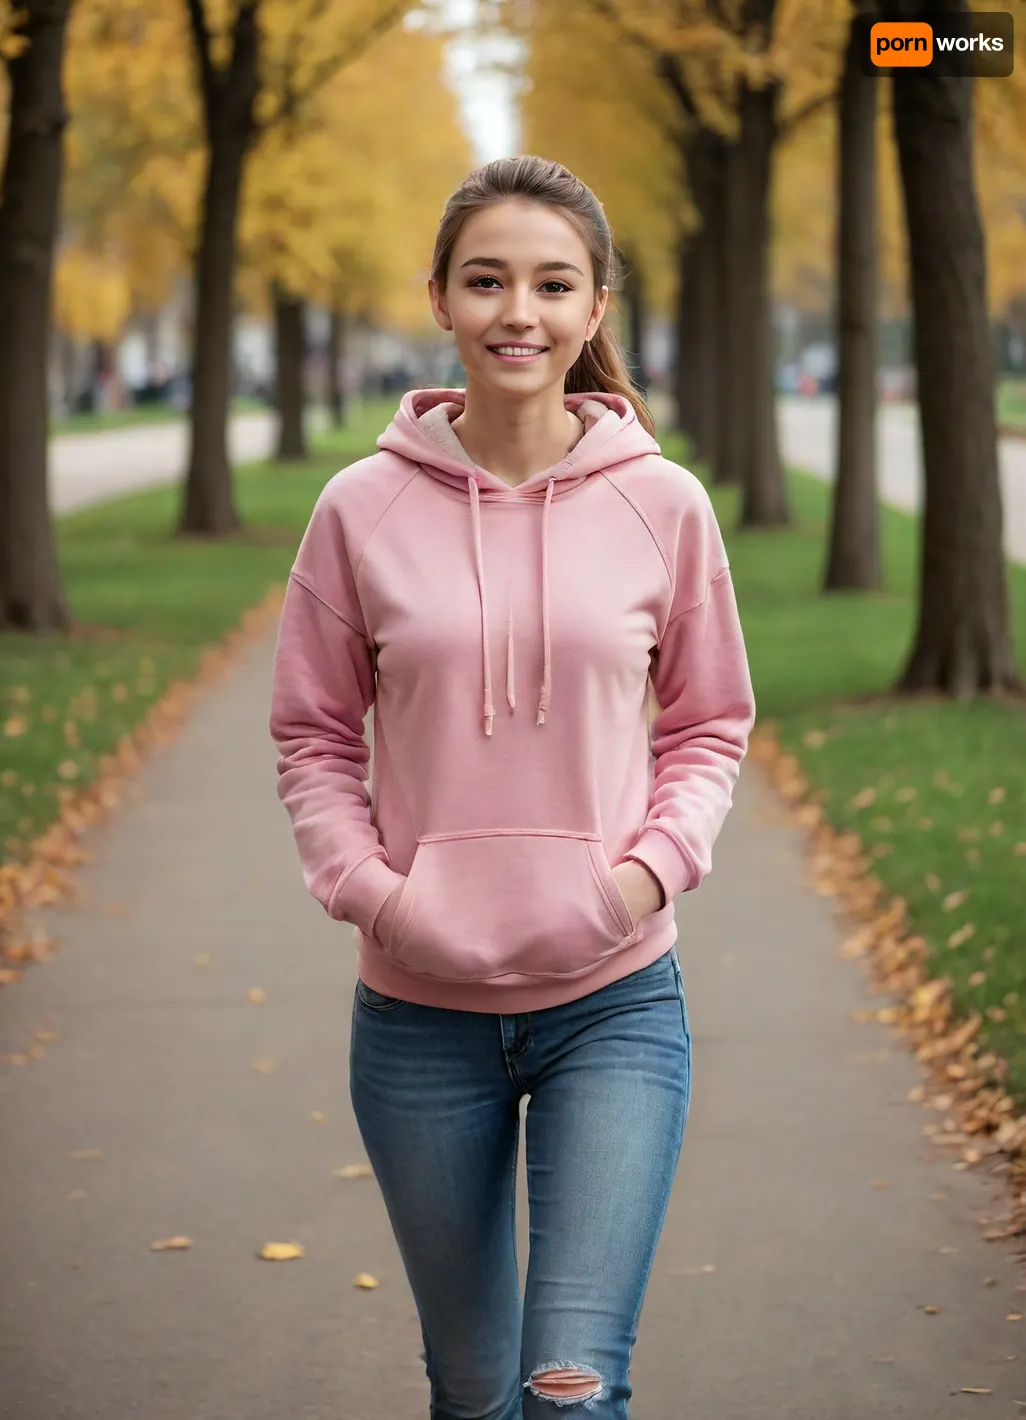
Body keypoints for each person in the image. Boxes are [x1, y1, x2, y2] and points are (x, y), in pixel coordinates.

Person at [269, 154, 756, 1419]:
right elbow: (313, 735)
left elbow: (710, 724)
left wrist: (643, 875)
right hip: (419, 1018)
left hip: (615, 1002)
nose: (517, 313)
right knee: (475, 1387)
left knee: (571, 1389)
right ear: (441, 298)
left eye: (552, 284)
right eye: (486, 281)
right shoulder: (359, 509)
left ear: (596, 309)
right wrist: (378, 895)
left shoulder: (665, 506)